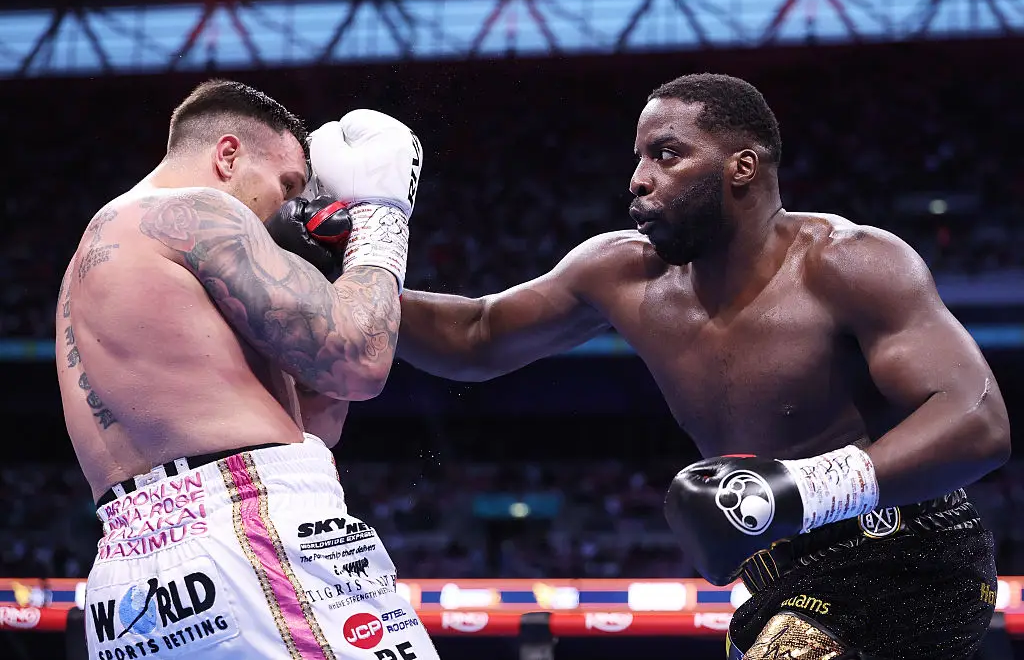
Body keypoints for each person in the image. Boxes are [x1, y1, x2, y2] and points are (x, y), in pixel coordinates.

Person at [396, 73, 1010, 659]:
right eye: (638, 158)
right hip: (778, 577)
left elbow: (978, 420)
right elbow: (476, 334)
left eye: (666, 154)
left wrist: (803, 491)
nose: (638, 179)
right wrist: (346, 283)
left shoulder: (848, 264)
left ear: (741, 167)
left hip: (908, 556)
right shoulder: (620, 275)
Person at [57, 79, 439, 660]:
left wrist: (326, 271)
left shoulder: (92, 259)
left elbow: (315, 422)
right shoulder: (197, 211)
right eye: (286, 184)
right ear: (227, 155)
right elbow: (359, 365)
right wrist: (381, 220)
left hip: (128, 579)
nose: (290, 208)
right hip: (247, 531)